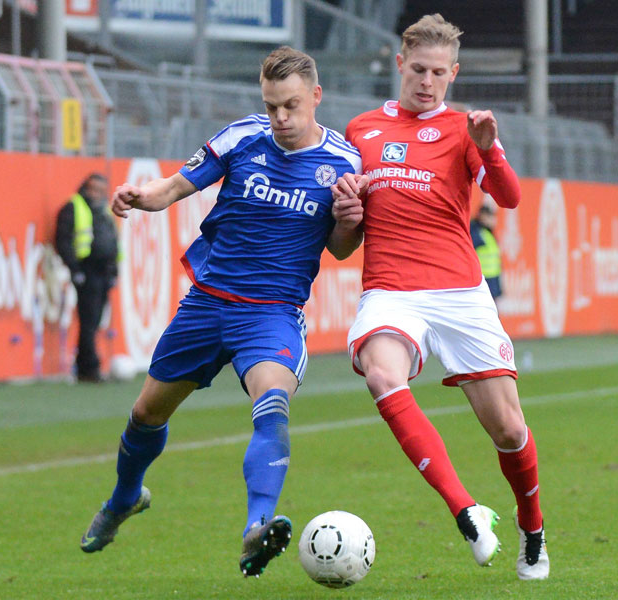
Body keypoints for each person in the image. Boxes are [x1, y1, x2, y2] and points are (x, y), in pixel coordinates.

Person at [79, 46, 363, 578]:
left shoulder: (345, 165)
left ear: (316, 98)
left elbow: (343, 248)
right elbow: (171, 189)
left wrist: (349, 220)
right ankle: (123, 498)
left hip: (273, 314)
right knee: (146, 415)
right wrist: (140, 195)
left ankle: (257, 527)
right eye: (272, 104)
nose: (280, 117)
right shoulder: (242, 137)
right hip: (208, 304)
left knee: (272, 404)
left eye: (292, 105)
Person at [333, 14, 549, 580]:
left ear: (453, 74)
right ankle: (466, 509)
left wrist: (490, 148)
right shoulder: (359, 131)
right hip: (391, 290)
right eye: (418, 69)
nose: (426, 81)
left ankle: (532, 528)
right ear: (400, 64)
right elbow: (342, 243)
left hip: (459, 291)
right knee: (383, 375)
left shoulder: (462, 130)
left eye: (438, 72)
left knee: (507, 428)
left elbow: (510, 198)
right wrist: (346, 216)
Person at [55, 173, 118, 383]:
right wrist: (75, 269)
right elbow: (63, 240)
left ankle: (85, 365)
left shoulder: (104, 210)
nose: (98, 194)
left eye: (102, 190)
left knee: (96, 320)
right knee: (89, 321)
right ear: (86, 188)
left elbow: (113, 240)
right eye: (94, 189)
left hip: (103, 271)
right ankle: (89, 368)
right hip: (87, 270)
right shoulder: (74, 207)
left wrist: (114, 270)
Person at [470, 202, 503, 299]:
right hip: (482, 281)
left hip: (491, 281)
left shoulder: (487, 233)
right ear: (482, 216)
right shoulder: (476, 232)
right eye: (490, 216)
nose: (493, 220)